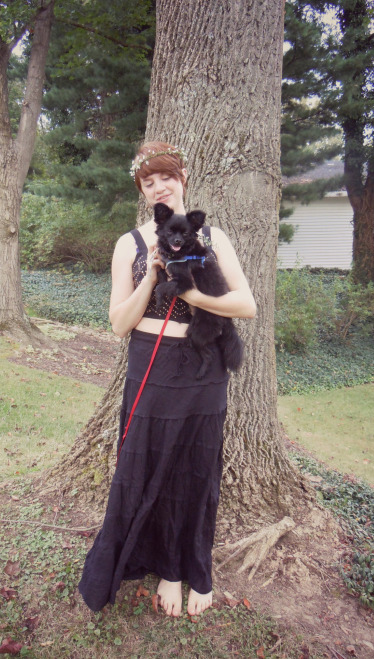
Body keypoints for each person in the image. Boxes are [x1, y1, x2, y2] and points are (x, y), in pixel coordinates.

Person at [78, 141, 256, 617]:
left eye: (166, 178)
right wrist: (152, 279)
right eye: (148, 182)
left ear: (183, 181)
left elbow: (247, 305)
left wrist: (194, 296)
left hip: (204, 367)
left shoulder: (213, 238)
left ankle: (187, 570)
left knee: (196, 473)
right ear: (143, 191)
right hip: (150, 366)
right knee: (145, 468)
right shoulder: (131, 244)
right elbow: (119, 323)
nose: (159, 187)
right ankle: (155, 564)